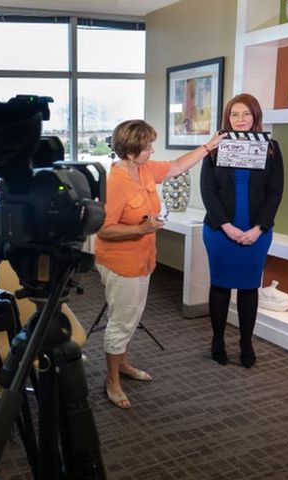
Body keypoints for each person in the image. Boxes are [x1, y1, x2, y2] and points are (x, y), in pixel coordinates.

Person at [94, 119, 224, 409]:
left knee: (131, 316)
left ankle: (123, 364)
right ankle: (112, 380)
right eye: (147, 146)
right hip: (120, 263)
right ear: (129, 151)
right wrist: (142, 230)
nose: (152, 150)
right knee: (122, 321)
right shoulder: (115, 182)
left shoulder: (144, 170)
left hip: (143, 260)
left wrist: (208, 146)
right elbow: (103, 229)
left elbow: (177, 166)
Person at [200, 93, 284, 368]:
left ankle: (246, 342)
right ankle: (217, 340)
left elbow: (275, 192)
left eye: (246, 114)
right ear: (228, 118)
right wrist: (226, 225)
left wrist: (259, 228)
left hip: (256, 232)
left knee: (249, 288)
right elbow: (208, 191)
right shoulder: (214, 148)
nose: (240, 119)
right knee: (220, 285)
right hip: (219, 230)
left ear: (255, 116)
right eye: (234, 114)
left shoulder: (272, 148)